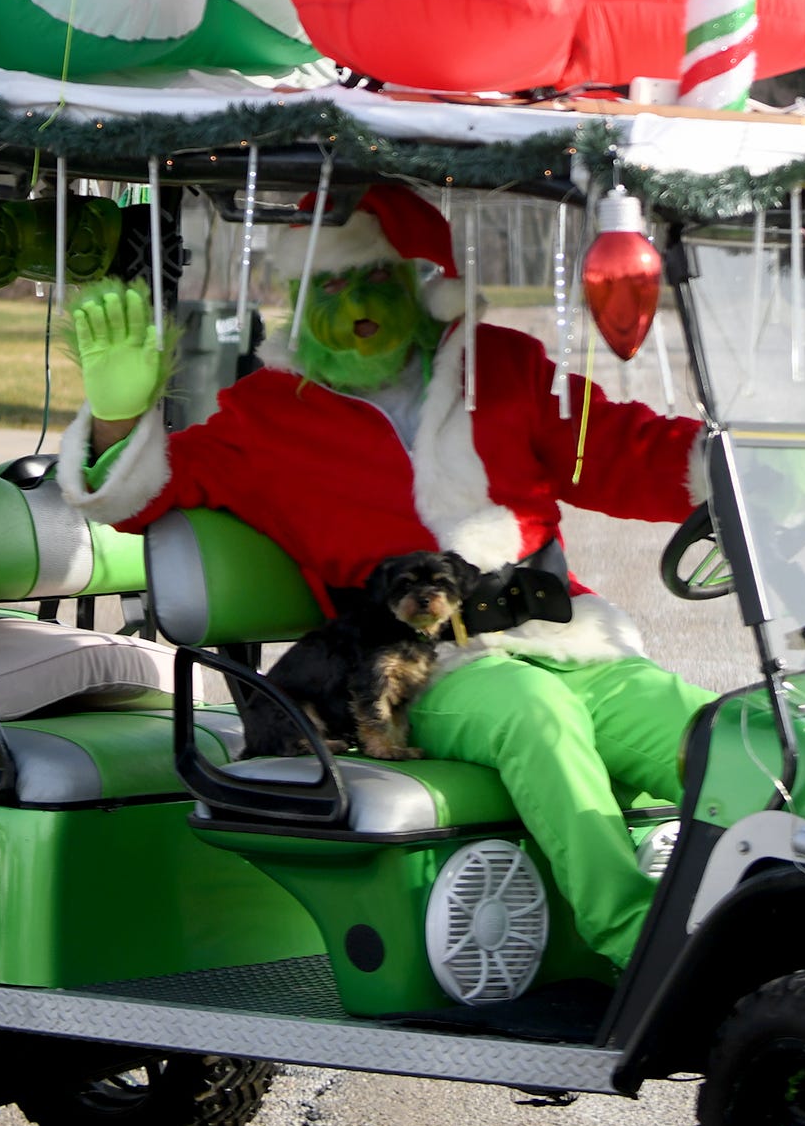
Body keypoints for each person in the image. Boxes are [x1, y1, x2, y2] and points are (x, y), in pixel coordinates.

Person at [59, 179, 710, 970]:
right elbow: (143, 495)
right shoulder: (270, 412)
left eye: (373, 279)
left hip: (566, 635)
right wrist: (120, 416)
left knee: (706, 729)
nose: (354, 306)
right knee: (534, 714)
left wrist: (740, 470)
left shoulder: (501, 370)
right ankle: (637, 942)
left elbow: (615, 449)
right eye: (329, 286)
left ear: (422, 287)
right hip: (417, 670)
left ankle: (801, 907)